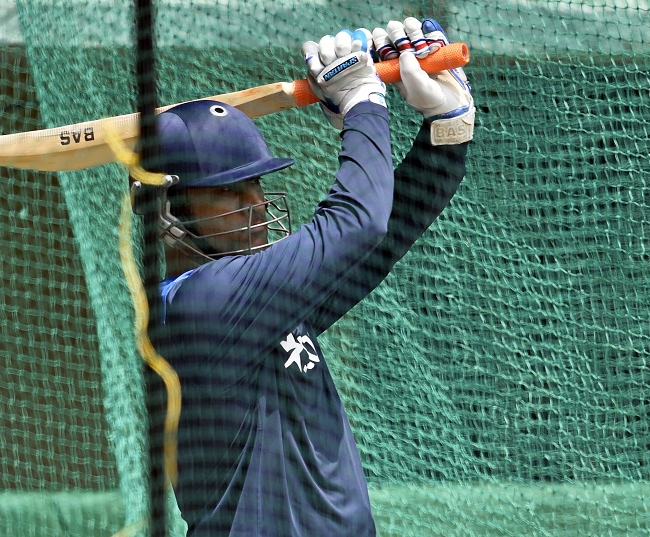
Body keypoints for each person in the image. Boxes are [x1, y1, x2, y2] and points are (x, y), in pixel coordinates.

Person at [147, 17, 475, 537]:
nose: (255, 204)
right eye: (228, 192)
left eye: (254, 183)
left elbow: (376, 243)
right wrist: (362, 103)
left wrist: (446, 132)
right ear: (165, 211)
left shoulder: (247, 300)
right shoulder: (201, 305)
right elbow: (358, 223)